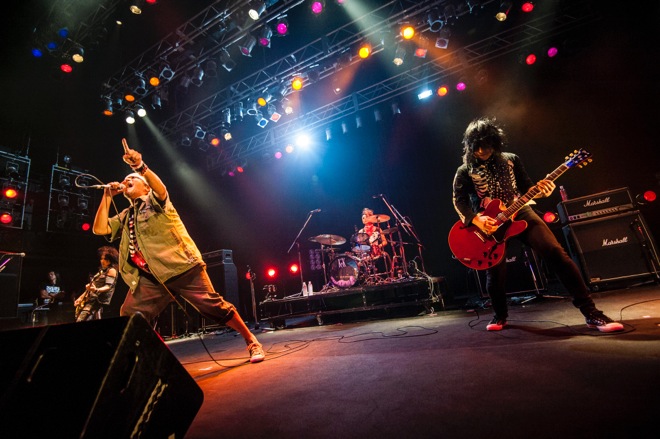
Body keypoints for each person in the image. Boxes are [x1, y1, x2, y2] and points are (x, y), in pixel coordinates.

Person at [92, 138, 265, 362]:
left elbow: (160, 188)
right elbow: (100, 229)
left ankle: (252, 341)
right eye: (125, 179)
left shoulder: (155, 201)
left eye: (132, 178)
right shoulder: (127, 215)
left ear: (145, 186)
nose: (127, 181)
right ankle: (151, 357)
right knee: (129, 314)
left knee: (214, 307)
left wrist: (139, 167)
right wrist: (106, 196)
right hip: (152, 277)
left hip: (182, 267)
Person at [452, 117, 624, 332]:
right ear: (470, 145)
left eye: (485, 146)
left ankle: (591, 313)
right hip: (489, 224)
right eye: (476, 147)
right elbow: (458, 201)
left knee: (555, 252)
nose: (481, 151)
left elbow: (527, 188)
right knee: (495, 273)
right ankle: (500, 315)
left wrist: (544, 190)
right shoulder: (464, 170)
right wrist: (477, 219)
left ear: (494, 143)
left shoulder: (511, 159)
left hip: (520, 211)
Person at [74, 246, 119, 322]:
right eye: (101, 258)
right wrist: (81, 298)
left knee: (81, 320)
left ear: (111, 259)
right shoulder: (101, 272)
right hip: (91, 299)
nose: (102, 261)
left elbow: (108, 286)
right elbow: (90, 288)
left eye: (105, 259)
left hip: (96, 301)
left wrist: (96, 290)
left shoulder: (111, 270)